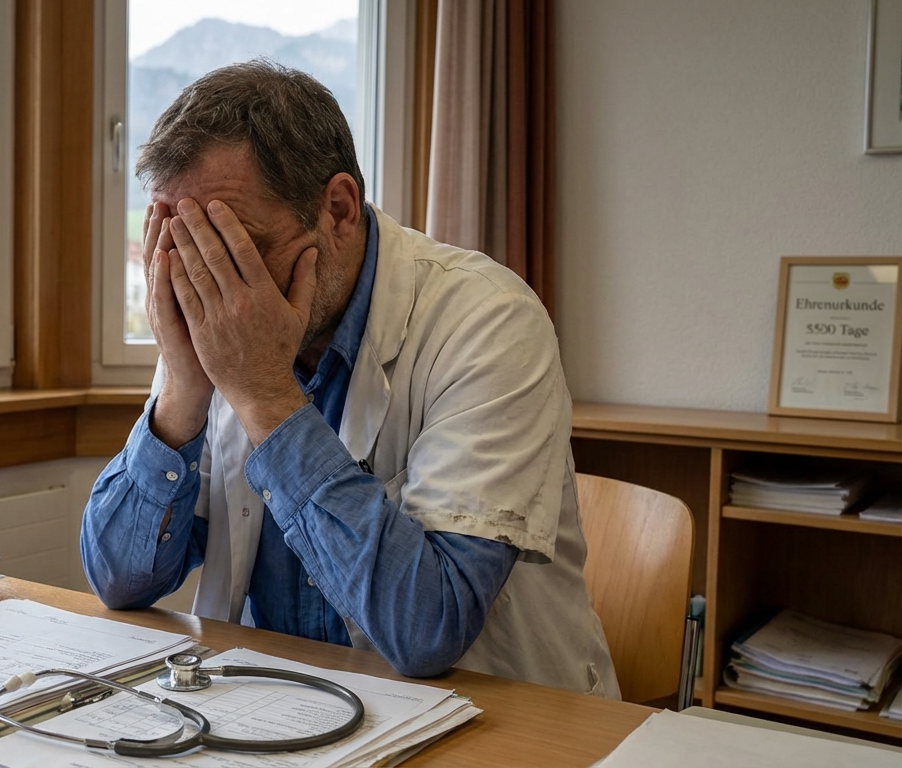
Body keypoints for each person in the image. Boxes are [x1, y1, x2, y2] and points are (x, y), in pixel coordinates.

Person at [81, 61, 618, 697]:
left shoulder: (489, 320)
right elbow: (119, 580)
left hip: (495, 726)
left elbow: (428, 629)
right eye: (186, 248)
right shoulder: (216, 326)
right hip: (277, 710)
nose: (209, 283)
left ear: (337, 209)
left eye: (237, 245)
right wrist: (182, 390)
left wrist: (264, 394)